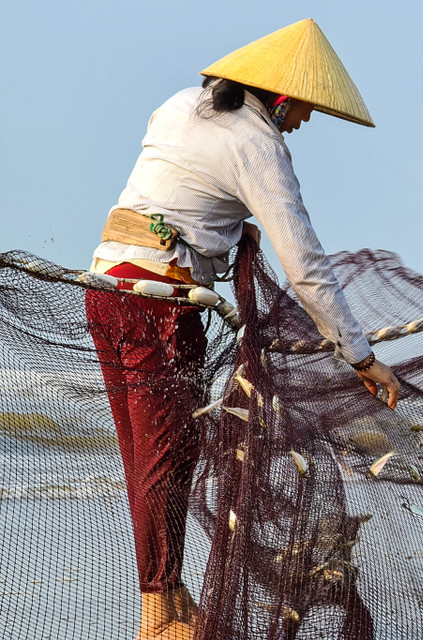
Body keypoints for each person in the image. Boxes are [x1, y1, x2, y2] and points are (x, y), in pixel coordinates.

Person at [84, 19, 400, 640]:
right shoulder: (258, 144)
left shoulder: (178, 106)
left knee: (155, 454)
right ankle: (157, 616)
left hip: (108, 289)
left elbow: (178, 191)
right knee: (165, 455)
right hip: (160, 304)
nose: (306, 120)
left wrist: (232, 230)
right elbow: (306, 266)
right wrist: (362, 358)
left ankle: (170, 602)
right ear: (280, 95)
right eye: (306, 106)